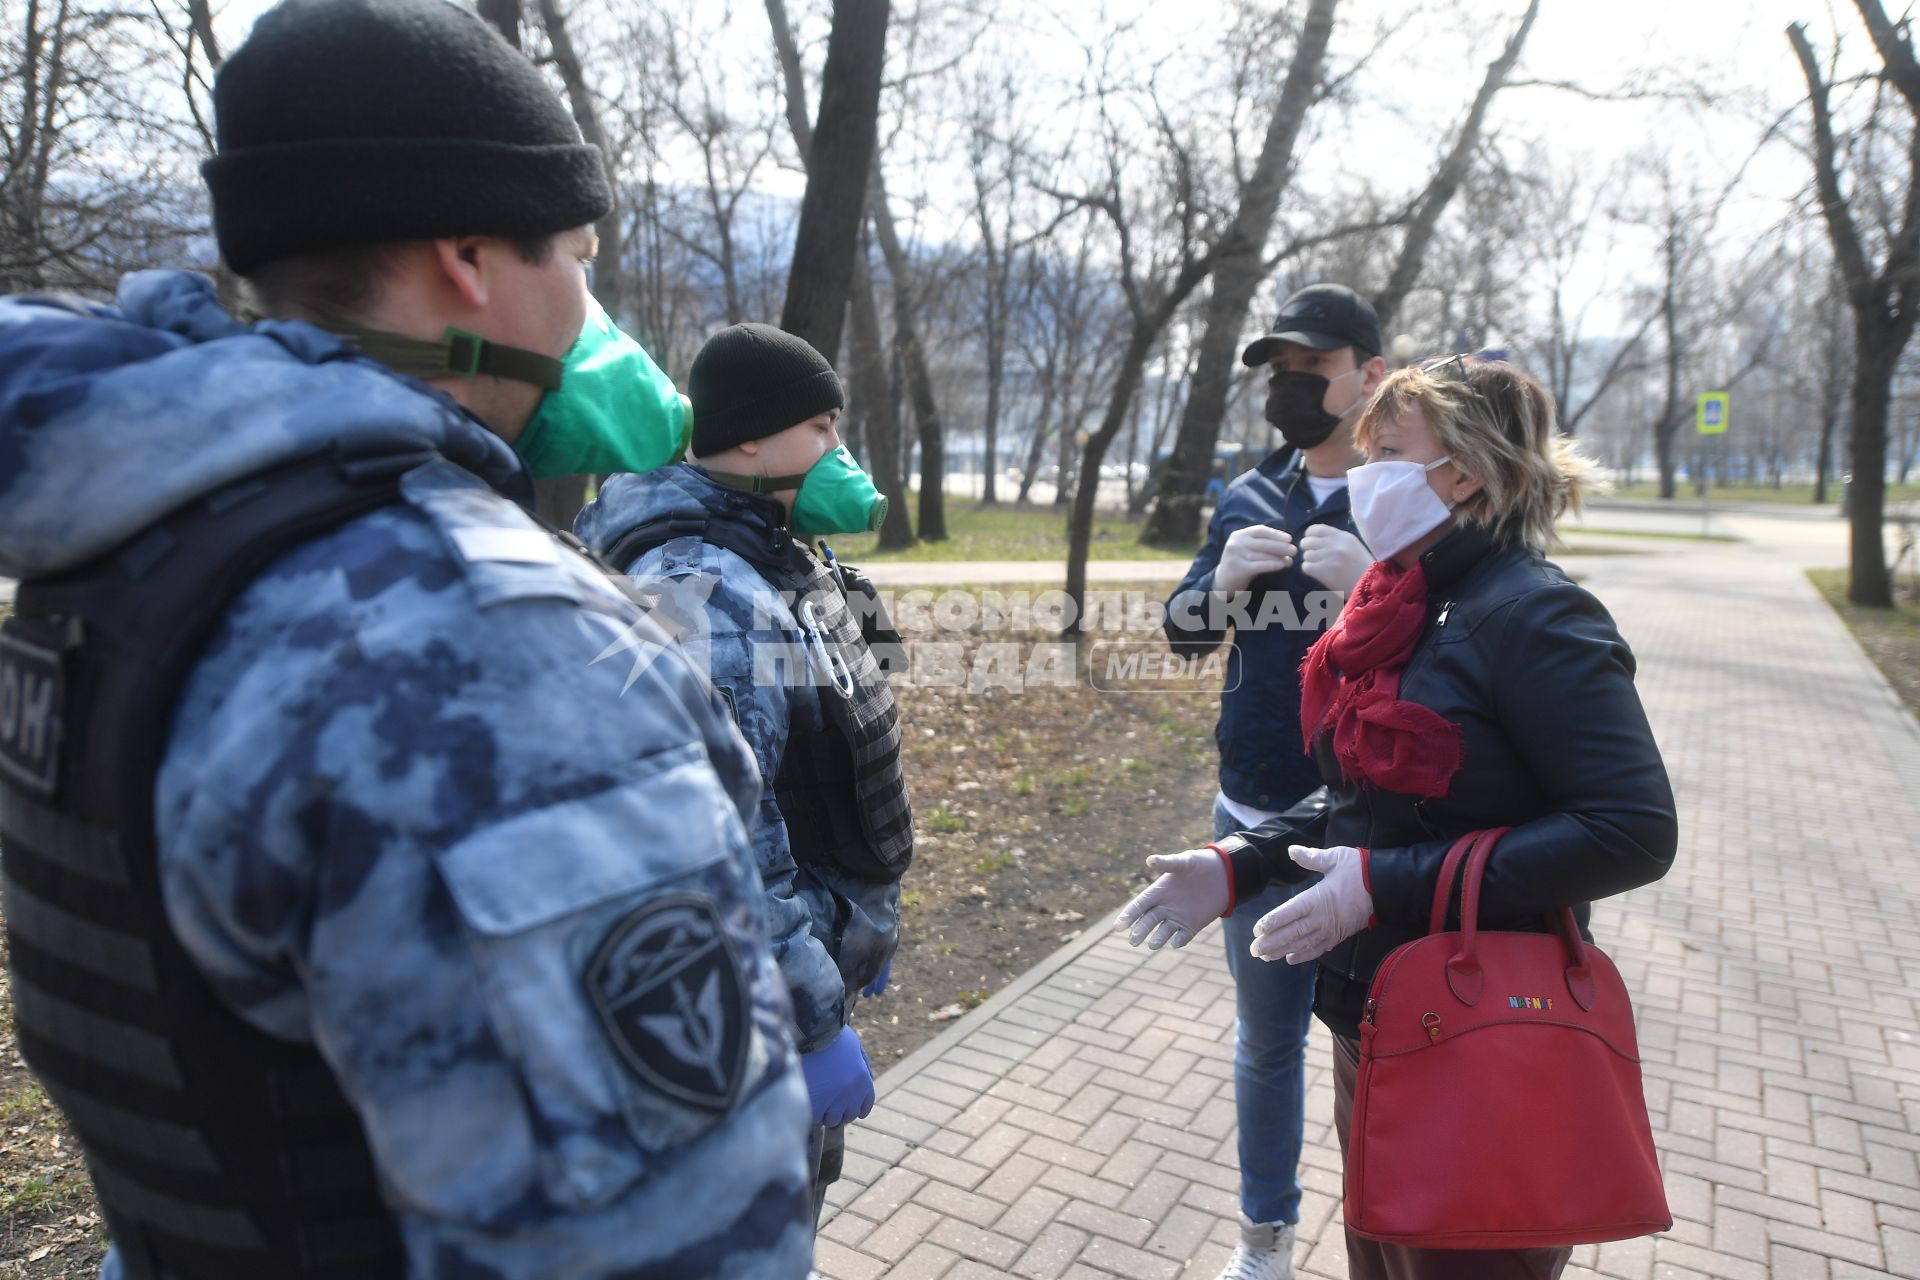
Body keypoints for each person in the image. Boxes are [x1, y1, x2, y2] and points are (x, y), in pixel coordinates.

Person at [0, 2, 812, 1276]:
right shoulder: (498, 654)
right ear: (471, 260)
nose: (588, 301)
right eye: (580, 254)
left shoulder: (129, 549)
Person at [1121, 356, 1678, 1280]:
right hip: (1381, 1021)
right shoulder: (1409, 598)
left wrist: (1384, 883)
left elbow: (1631, 829)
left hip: (1485, 1036)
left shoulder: (1535, 615)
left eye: (1385, 451)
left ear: (1461, 471)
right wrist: (1243, 862)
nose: (1362, 473)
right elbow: (1370, 794)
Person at [576, 322, 911, 1224]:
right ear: (753, 438)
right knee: (759, 1226)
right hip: (752, 1009)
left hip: (802, 953)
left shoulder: (766, 541)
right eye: (823, 427)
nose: (840, 450)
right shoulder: (708, 585)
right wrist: (810, 1013)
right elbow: (715, 829)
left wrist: (861, 919)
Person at [1162, 283, 1381, 1280]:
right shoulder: (1248, 493)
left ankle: (1398, 1236)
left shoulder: (1410, 498)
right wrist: (1220, 587)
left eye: (1314, 368)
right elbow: (1182, 635)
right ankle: (1266, 1245)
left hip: (1374, 833)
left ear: (1370, 377)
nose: (1293, 387)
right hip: (1251, 814)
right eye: (1281, 370)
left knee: (1383, 1050)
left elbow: (1468, 656)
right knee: (1267, 1045)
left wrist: (1373, 579)